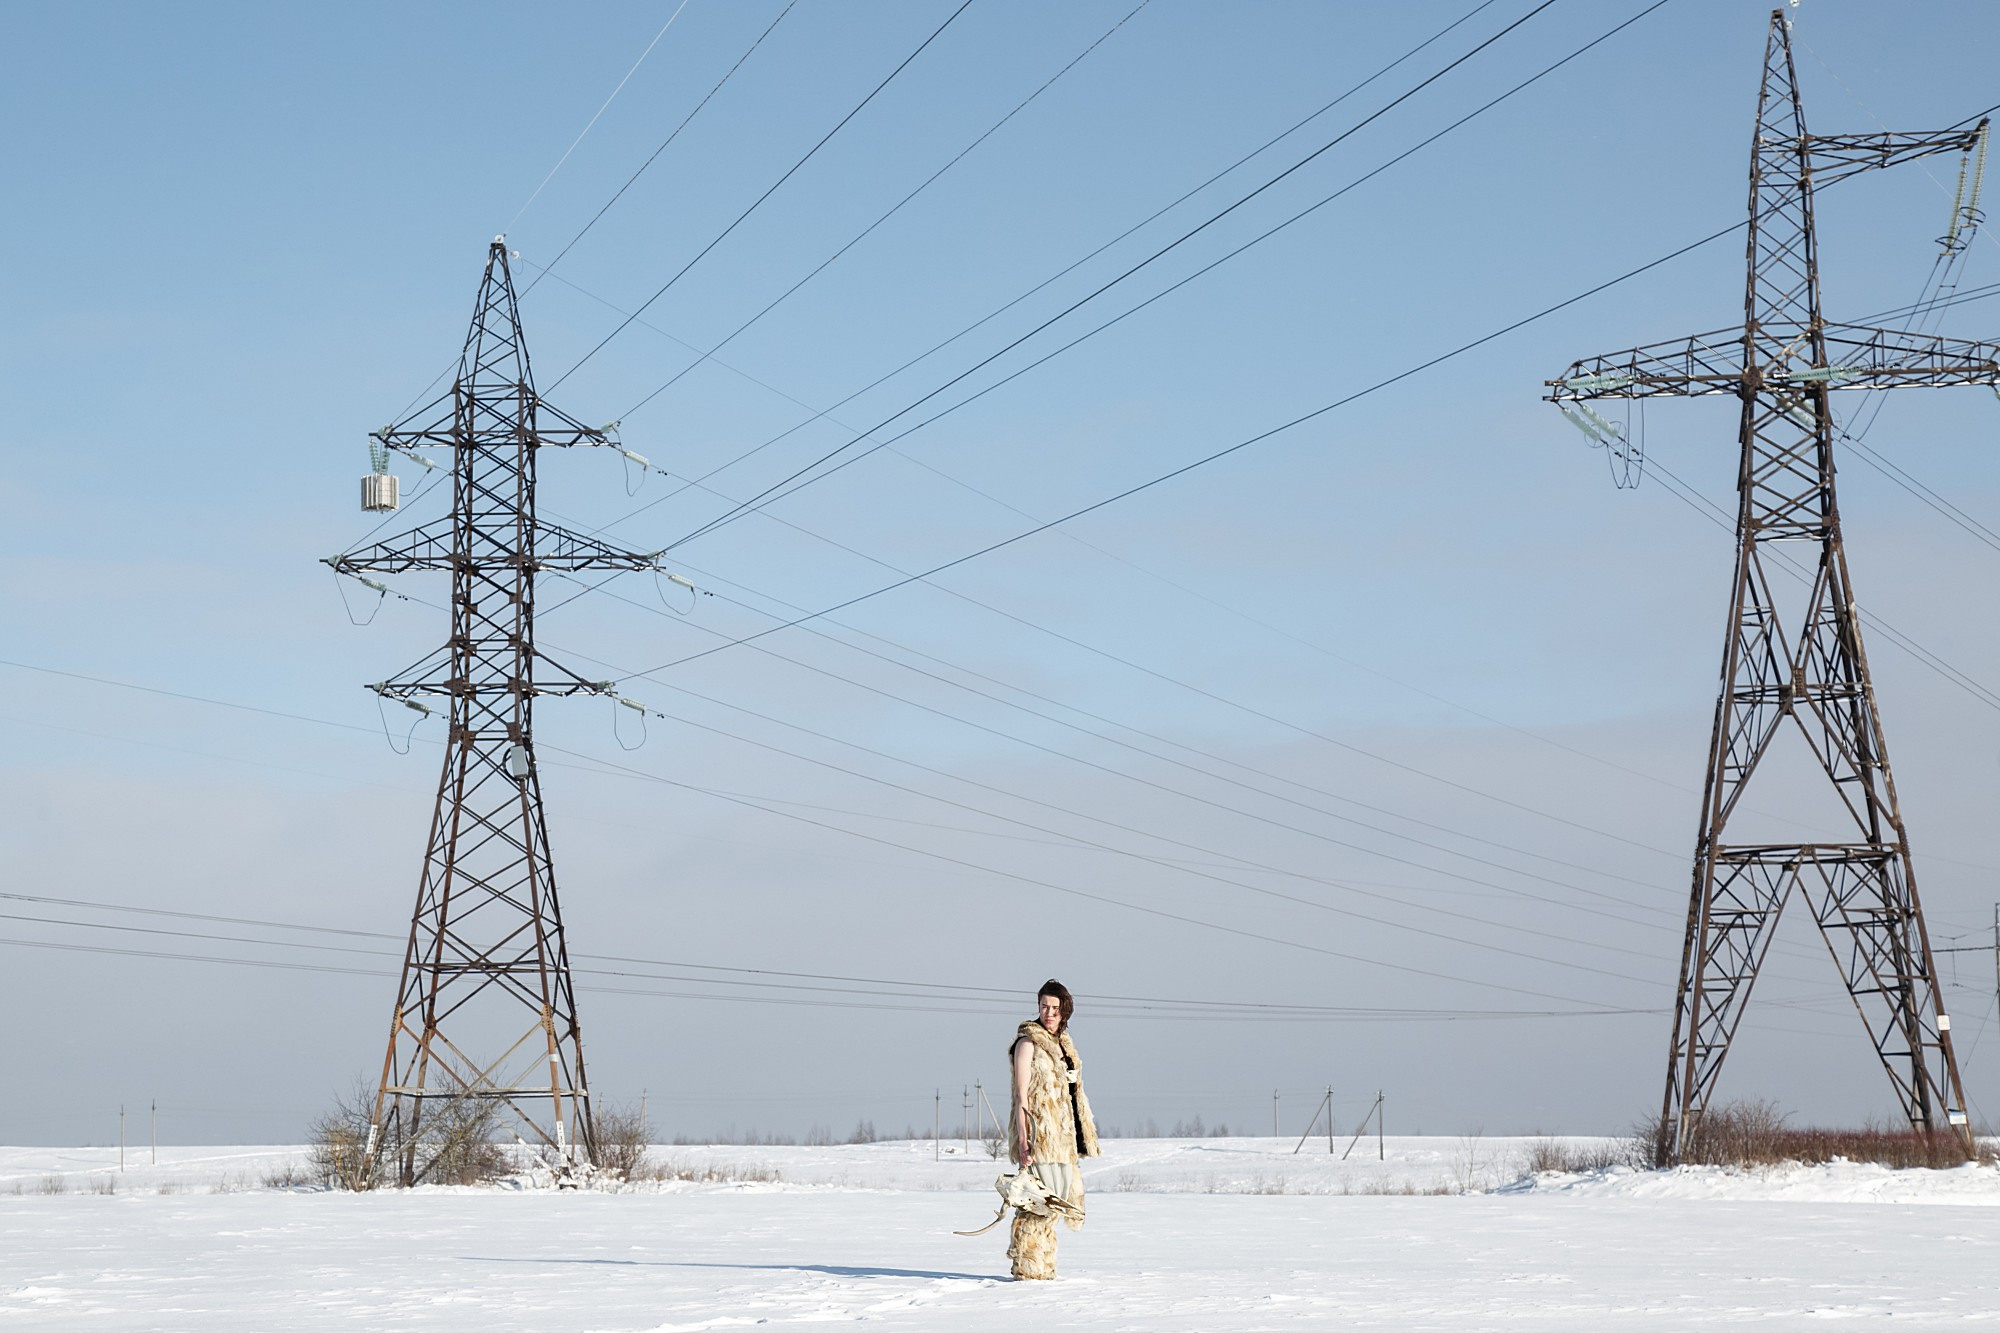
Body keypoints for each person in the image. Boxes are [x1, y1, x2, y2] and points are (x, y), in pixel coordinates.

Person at [1006, 978, 1099, 1280]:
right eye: (1044, 1006)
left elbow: (1074, 1096)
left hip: (1063, 1138)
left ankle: (1044, 1268)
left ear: (1064, 1012)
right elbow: (1021, 1094)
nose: (1049, 1013)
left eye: (1055, 1008)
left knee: (1056, 1205)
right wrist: (1023, 1140)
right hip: (1039, 1136)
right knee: (1036, 1204)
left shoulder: (1065, 1047)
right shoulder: (1027, 1043)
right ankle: (1027, 1268)